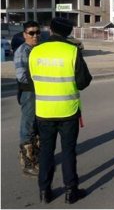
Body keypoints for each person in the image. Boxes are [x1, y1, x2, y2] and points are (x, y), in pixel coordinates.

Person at [29, 17, 92, 204]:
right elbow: (83, 82)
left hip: (44, 111)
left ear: (50, 29)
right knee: (68, 151)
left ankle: (44, 191)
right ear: (69, 33)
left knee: (46, 151)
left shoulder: (35, 51)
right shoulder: (72, 51)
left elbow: (32, 79)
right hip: (68, 111)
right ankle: (71, 191)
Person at [14, 21, 41, 176]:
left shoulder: (38, 49)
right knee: (28, 126)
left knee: (38, 125)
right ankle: (27, 163)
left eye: (37, 32)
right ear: (25, 34)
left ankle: (36, 158)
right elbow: (21, 76)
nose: (35, 35)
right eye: (31, 33)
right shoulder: (23, 51)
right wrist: (39, 82)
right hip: (29, 92)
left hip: (40, 93)